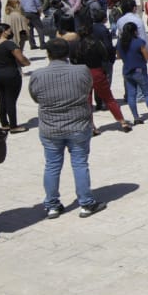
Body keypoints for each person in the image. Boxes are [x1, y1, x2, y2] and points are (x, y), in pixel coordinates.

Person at [29, 38, 102, 218]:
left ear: (48, 54)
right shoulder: (81, 70)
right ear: (68, 53)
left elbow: (35, 97)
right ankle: (86, 203)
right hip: (78, 125)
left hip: (50, 127)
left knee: (52, 165)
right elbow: (87, 90)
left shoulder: (37, 75)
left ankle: (52, 205)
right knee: (80, 163)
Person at [80, 15, 132, 134]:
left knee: (87, 102)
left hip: (82, 73)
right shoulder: (96, 43)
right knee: (109, 98)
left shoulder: (77, 45)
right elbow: (105, 56)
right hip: (97, 71)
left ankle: (91, 126)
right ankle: (122, 121)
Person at [0, 23, 30, 132]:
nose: (11, 32)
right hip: (11, 74)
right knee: (11, 100)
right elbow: (21, 59)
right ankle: (14, 126)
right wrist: (27, 63)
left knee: (2, 99)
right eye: (9, 30)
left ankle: (4, 124)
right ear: (4, 31)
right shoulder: (9, 44)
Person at [117, 21, 148, 125]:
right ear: (134, 31)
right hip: (139, 70)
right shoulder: (139, 42)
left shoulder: (120, 42)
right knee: (147, 93)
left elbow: (118, 56)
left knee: (131, 95)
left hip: (127, 71)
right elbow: (147, 56)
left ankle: (136, 117)